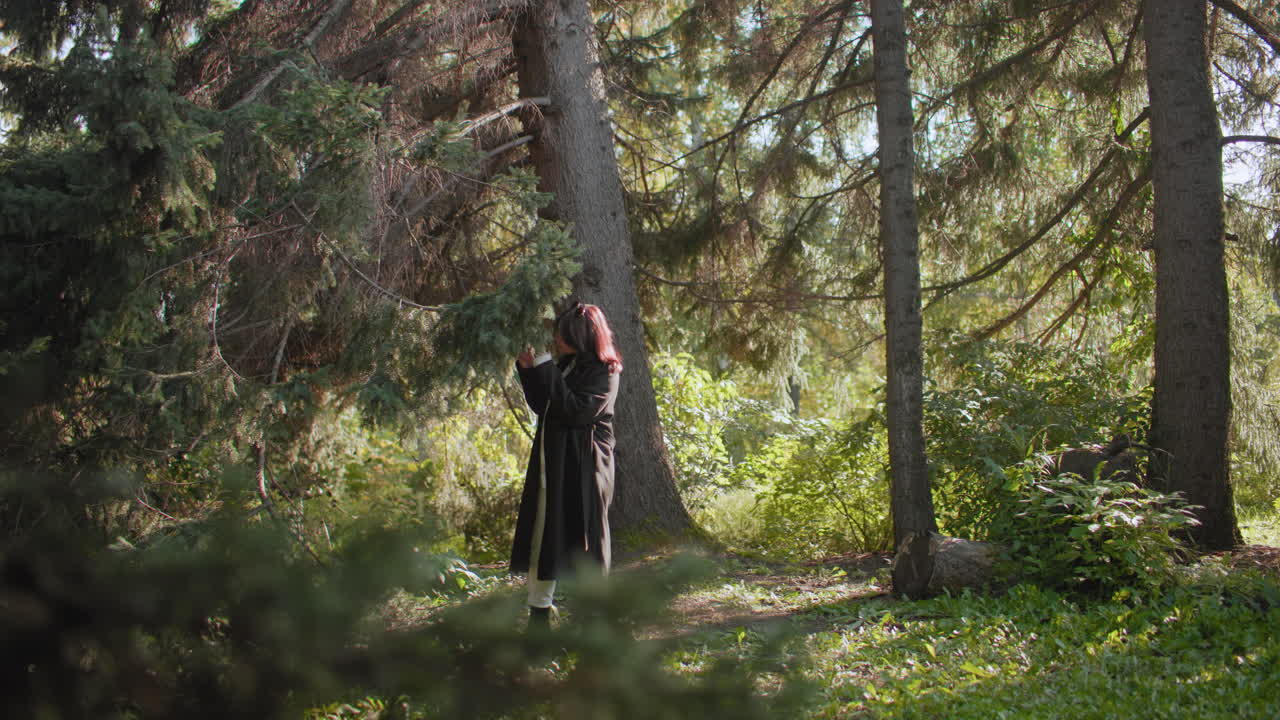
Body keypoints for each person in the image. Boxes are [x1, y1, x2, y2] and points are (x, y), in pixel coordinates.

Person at [511, 301, 622, 628]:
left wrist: (545, 369)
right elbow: (545, 405)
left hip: (584, 469)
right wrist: (530, 372)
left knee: (584, 539)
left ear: (582, 335)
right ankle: (539, 614)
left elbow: (576, 411)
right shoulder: (568, 365)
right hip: (553, 464)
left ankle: (592, 619)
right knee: (544, 533)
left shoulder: (605, 371)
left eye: (563, 335)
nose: (556, 341)